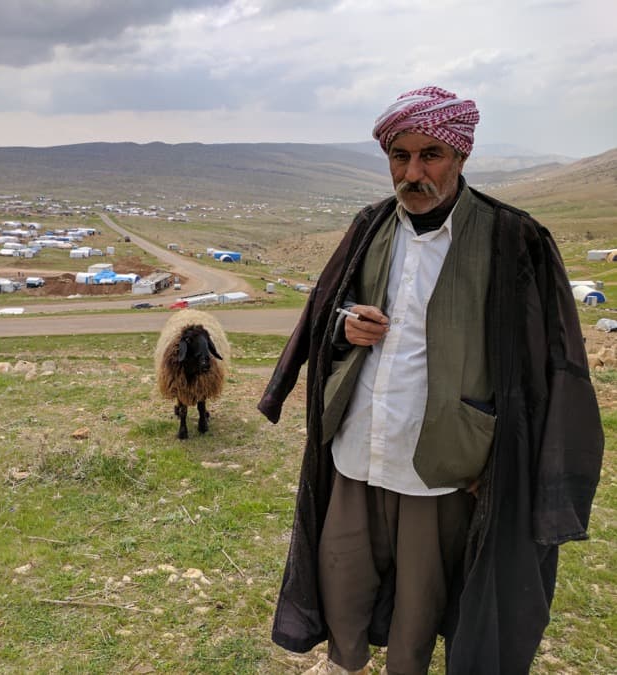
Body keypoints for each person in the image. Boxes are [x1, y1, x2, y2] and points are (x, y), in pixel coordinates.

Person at [258, 86, 604, 674]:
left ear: (462, 156)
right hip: (358, 449)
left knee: (419, 610)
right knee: (342, 584)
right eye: (400, 156)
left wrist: (510, 466)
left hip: (444, 467)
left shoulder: (513, 239)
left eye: (431, 155)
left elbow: (551, 367)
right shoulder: (371, 226)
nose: (413, 173)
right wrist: (347, 328)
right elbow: (328, 315)